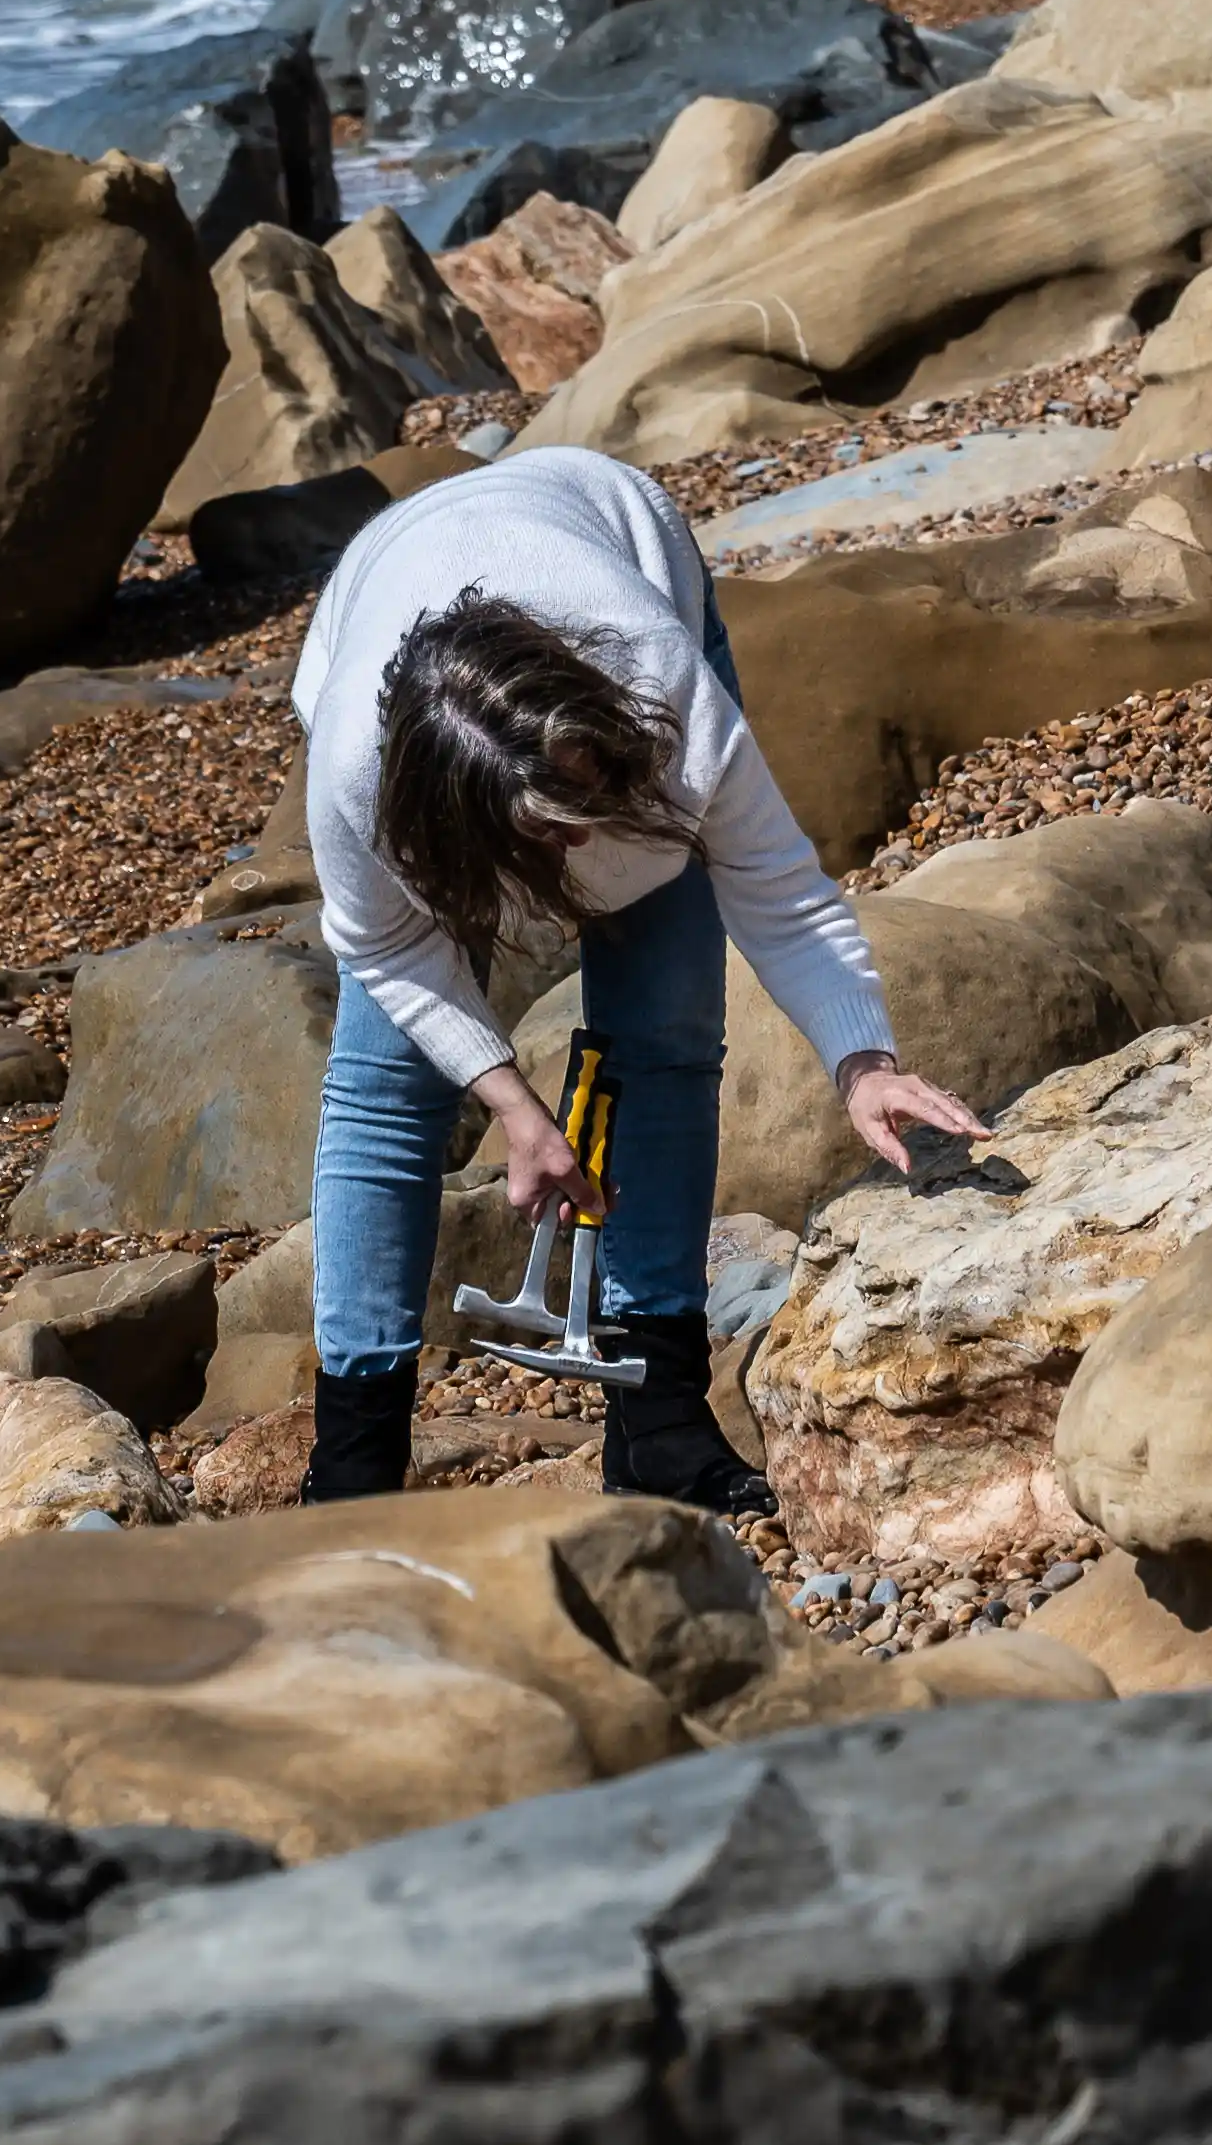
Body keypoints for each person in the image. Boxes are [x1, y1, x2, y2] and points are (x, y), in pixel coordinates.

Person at [295, 449, 986, 1510]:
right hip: (387, 615)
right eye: (564, 832)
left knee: (662, 1031)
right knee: (388, 1092)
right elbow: (391, 953)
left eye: (599, 798)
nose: (597, 842)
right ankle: (352, 1465)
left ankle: (659, 1415)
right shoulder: (356, 774)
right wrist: (511, 1103)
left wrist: (862, 1061)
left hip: (608, 533)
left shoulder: (662, 696)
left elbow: (779, 887)